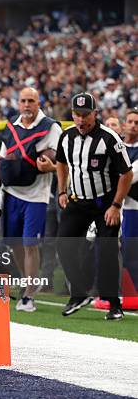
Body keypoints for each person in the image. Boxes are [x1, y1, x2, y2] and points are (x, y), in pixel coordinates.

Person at [56, 93, 133, 320]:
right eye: (77, 115)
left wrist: (116, 205)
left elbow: (126, 174)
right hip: (78, 200)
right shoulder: (66, 137)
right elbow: (61, 162)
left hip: (105, 203)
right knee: (64, 244)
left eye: (85, 115)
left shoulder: (109, 138)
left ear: (95, 114)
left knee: (107, 250)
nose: (81, 120)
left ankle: (113, 303)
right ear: (72, 115)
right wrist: (62, 191)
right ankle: (79, 293)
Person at [0, 87, 61, 313]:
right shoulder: (11, 126)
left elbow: (61, 159)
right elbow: (4, 157)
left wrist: (50, 166)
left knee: (30, 243)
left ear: (39, 102)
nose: (26, 105)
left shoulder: (51, 127)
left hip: (37, 195)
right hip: (12, 192)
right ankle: (27, 285)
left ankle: (29, 295)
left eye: (31, 100)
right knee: (14, 244)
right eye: (23, 100)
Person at [121, 108, 138, 306]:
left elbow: (131, 176)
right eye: (130, 121)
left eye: (137, 122)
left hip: (133, 207)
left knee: (132, 254)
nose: (133, 125)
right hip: (115, 207)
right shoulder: (116, 146)